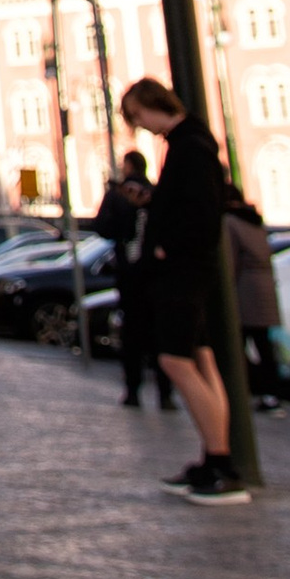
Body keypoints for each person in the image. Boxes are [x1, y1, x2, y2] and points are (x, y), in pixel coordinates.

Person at [129, 77, 248, 503]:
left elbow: (199, 214)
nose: (141, 125)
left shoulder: (190, 149)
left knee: (176, 360)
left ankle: (220, 461)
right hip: (190, 268)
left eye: (138, 116)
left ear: (152, 105)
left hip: (183, 270)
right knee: (200, 358)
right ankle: (216, 457)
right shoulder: (192, 145)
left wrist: (163, 247)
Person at [91, 147, 171, 412]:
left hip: (130, 274)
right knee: (160, 333)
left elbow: (102, 227)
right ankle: (165, 393)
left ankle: (133, 390)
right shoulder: (157, 193)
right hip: (157, 275)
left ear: (127, 166)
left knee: (132, 333)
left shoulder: (118, 194)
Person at [225, 182, 285, 409]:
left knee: (238, 343)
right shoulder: (255, 222)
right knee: (264, 344)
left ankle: (249, 391)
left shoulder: (230, 222)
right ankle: (272, 393)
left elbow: (230, 264)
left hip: (244, 291)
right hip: (265, 288)